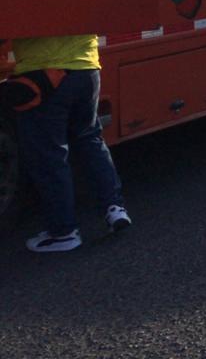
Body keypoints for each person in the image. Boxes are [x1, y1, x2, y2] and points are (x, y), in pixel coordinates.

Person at [1, 33, 132, 252]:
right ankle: (114, 207)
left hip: (44, 73)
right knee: (90, 139)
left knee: (49, 154)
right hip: (87, 68)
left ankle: (63, 232)